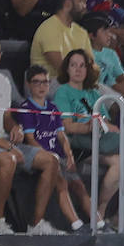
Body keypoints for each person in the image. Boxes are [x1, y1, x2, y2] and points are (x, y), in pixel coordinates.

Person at [0, 34, 63, 234]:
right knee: (9, 159)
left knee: (52, 160)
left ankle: (36, 223)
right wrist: (6, 146)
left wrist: (15, 128)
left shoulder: (4, 81)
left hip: (1, 140)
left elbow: (6, 116)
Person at [55, 48, 124, 227]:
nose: (78, 69)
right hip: (77, 144)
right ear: (67, 69)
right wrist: (90, 127)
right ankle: (98, 212)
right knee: (123, 159)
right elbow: (67, 126)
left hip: (96, 141)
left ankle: (100, 209)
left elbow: (105, 120)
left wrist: (104, 126)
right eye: (73, 65)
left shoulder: (93, 92)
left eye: (82, 65)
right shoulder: (63, 92)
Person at [15, 64, 91, 233]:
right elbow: (30, 139)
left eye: (45, 82)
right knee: (62, 183)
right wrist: (49, 155)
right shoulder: (26, 108)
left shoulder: (53, 108)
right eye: (37, 82)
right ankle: (76, 223)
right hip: (43, 157)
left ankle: (98, 222)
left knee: (78, 184)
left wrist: (69, 153)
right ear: (28, 84)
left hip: (59, 155)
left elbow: (61, 135)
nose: (42, 87)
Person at [30, 0, 91, 78]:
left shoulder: (81, 31)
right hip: (49, 84)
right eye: (80, 1)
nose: (85, 6)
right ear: (67, 5)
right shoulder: (49, 28)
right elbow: (63, 69)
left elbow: (90, 64)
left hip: (77, 82)